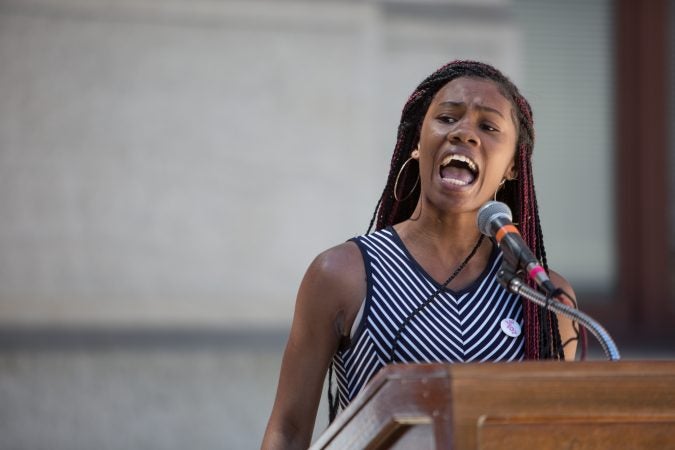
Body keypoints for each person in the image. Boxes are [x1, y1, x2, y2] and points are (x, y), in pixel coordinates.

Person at [261, 60, 578, 450]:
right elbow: (289, 430)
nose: (464, 133)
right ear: (417, 141)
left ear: (513, 165)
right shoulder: (343, 273)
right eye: (447, 118)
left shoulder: (543, 297)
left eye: (488, 126)